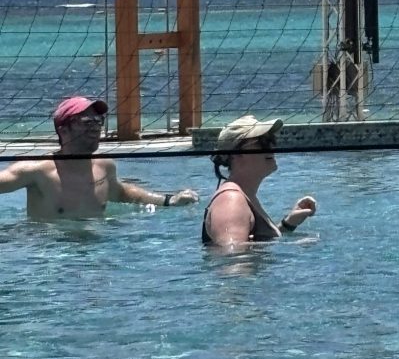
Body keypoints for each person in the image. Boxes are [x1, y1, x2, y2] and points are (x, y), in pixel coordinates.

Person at [0, 95, 198, 220]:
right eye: (87, 122)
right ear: (64, 129)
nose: (95, 127)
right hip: (50, 259)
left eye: (98, 121)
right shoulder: (36, 171)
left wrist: (169, 200)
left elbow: (122, 192)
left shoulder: (104, 166)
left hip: (97, 258)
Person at [202, 114, 317, 250]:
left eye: (271, 140)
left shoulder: (244, 196)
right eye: (263, 142)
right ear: (236, 154)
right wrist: (292, 245)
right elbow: (231, 254)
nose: (271, 146)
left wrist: (288, 224)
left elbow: (248, 242)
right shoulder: (231, 200)